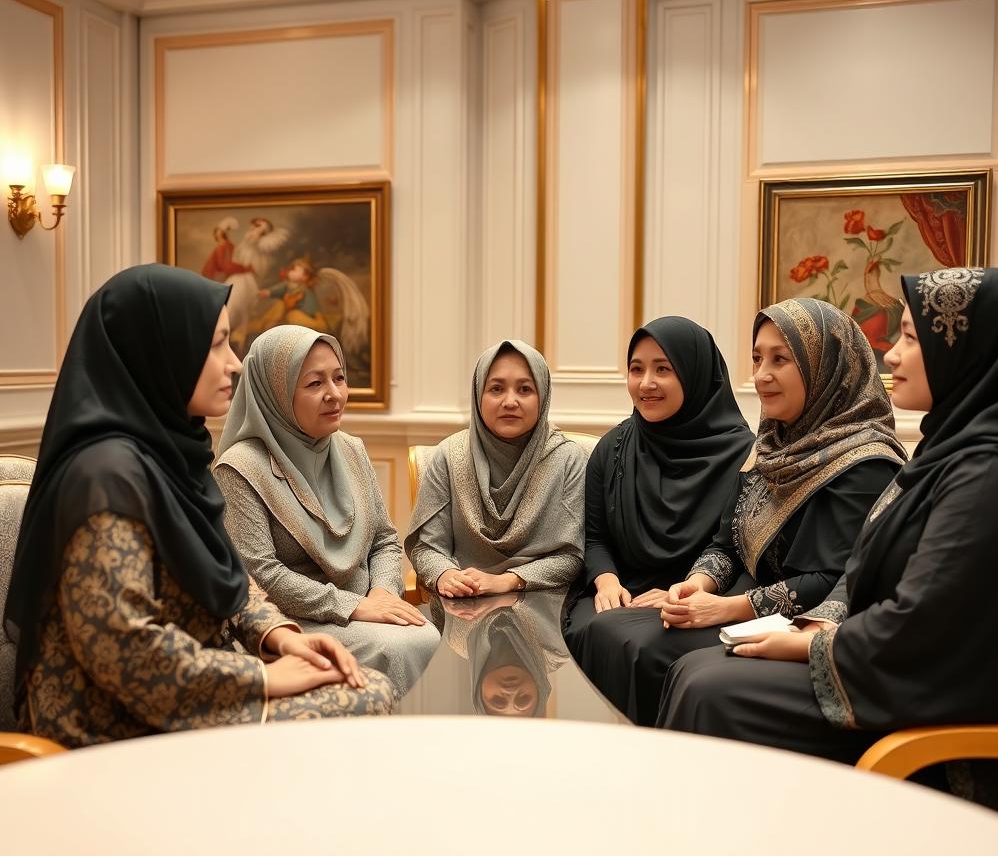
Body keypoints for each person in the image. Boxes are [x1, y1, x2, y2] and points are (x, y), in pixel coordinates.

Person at [657, 268, 998, 815]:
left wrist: (808, 642)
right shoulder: (946, 450)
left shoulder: (991, 473)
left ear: (968, 350)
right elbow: (858, 576)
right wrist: (808, 624)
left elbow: (923, 623)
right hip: (883, 663)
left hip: (934, 701)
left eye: (910, 338)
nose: (891, 357)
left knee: (714, 688)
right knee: (696, 669)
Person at [4, 264, 393, 749]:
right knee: (367, 697)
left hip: (180, 693)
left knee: (362, 687)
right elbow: (125, 651)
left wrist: (280, 635)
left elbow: (223, 573)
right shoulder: (104, 477)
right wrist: (264, 677)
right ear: (158, 352)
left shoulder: (170, 456)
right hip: (112, 722)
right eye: (215, 345)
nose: (234, 363)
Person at [577, 299, 906, 725]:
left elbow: (830, 582)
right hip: (749, 607)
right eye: (756, 358)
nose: (761, 375)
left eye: (780, 359)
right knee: (610, 631)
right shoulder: (771, 446)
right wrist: (697, 584)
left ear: (824, 368)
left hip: (805, 626)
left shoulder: (863, 464)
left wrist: (724, 608)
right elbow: (727, 542)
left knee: (647, 649)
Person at [215, 325, 440, 699]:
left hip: (368, 608)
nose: (334, 394)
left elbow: (383, 539)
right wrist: (354, 607)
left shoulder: (350, 449)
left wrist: (383, 593)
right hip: (291, 627)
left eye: (339, 378)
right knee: (399, 644)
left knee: (421, 634)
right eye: (314, 384)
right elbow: (262, 576)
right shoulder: (239, 468)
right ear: (276, 393)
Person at [563, 317, 754, 660]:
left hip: (703, 598)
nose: (646, 383)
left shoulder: (745, 456)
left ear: (694, 373)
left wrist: (682, 592)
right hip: (623, 589)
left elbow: (738, 552)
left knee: (642, 644)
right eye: (636, 370)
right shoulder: (613, 448)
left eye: (663, 369)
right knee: (590, 629)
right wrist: (606, 581)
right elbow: (595, 538)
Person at [405, 340, 585, 611]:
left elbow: (573, 556)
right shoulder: (449, 457)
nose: (510, 401)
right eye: (496, 389)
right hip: (462, 603)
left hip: (549, 603)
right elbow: (427, 547)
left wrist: (508, 581)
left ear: (543, 396)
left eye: (525, 389)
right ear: (479, 395)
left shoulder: (568, 459)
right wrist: (446, 575)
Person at [442, 591, 570, 718]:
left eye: (498, 701)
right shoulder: (560, 648)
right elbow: (563, 579)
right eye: (523, 699)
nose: (511, 692)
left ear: (479, 695)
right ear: (539, 692)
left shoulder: (457, 638)